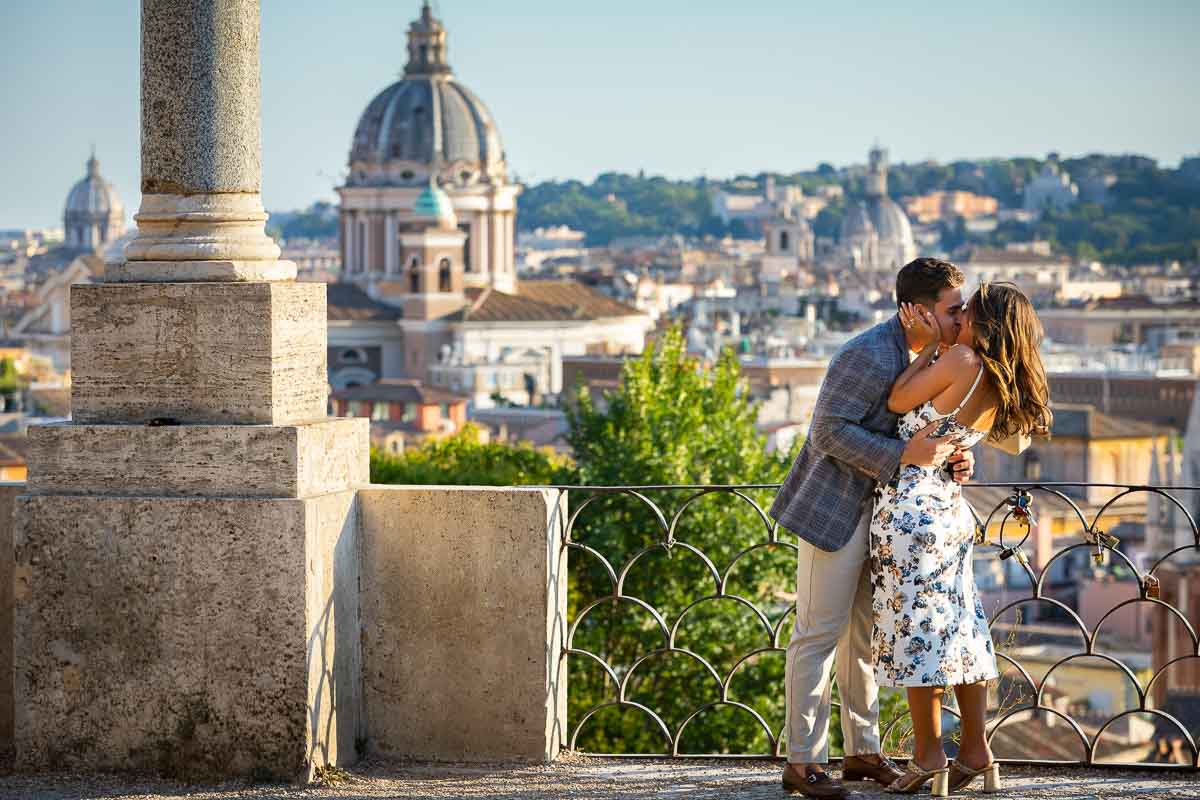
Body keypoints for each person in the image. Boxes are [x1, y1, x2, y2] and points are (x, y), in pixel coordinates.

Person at [770, 258, 975, 798]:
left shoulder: (931, 358)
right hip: (835, 511)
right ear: (916, 310)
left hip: (890, 519)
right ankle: (803, 761)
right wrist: (905, 454)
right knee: (816, 635)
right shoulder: (867, 353)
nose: (962, 319)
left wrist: (951, 459)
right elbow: (827, 434)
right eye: (953, 310)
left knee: (863, 639)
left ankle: (862, 752)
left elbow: (930, 434)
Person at [870, 281, 1052, 796]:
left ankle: (928, 756)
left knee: (918, 630)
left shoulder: (961, 361)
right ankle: (976, 749)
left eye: (966, 310)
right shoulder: (1000, 378)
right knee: (963, 627)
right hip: (949, 507)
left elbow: (897, 398)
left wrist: (929, 348)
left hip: (911, 509)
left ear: (985, 321)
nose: (959, 317)